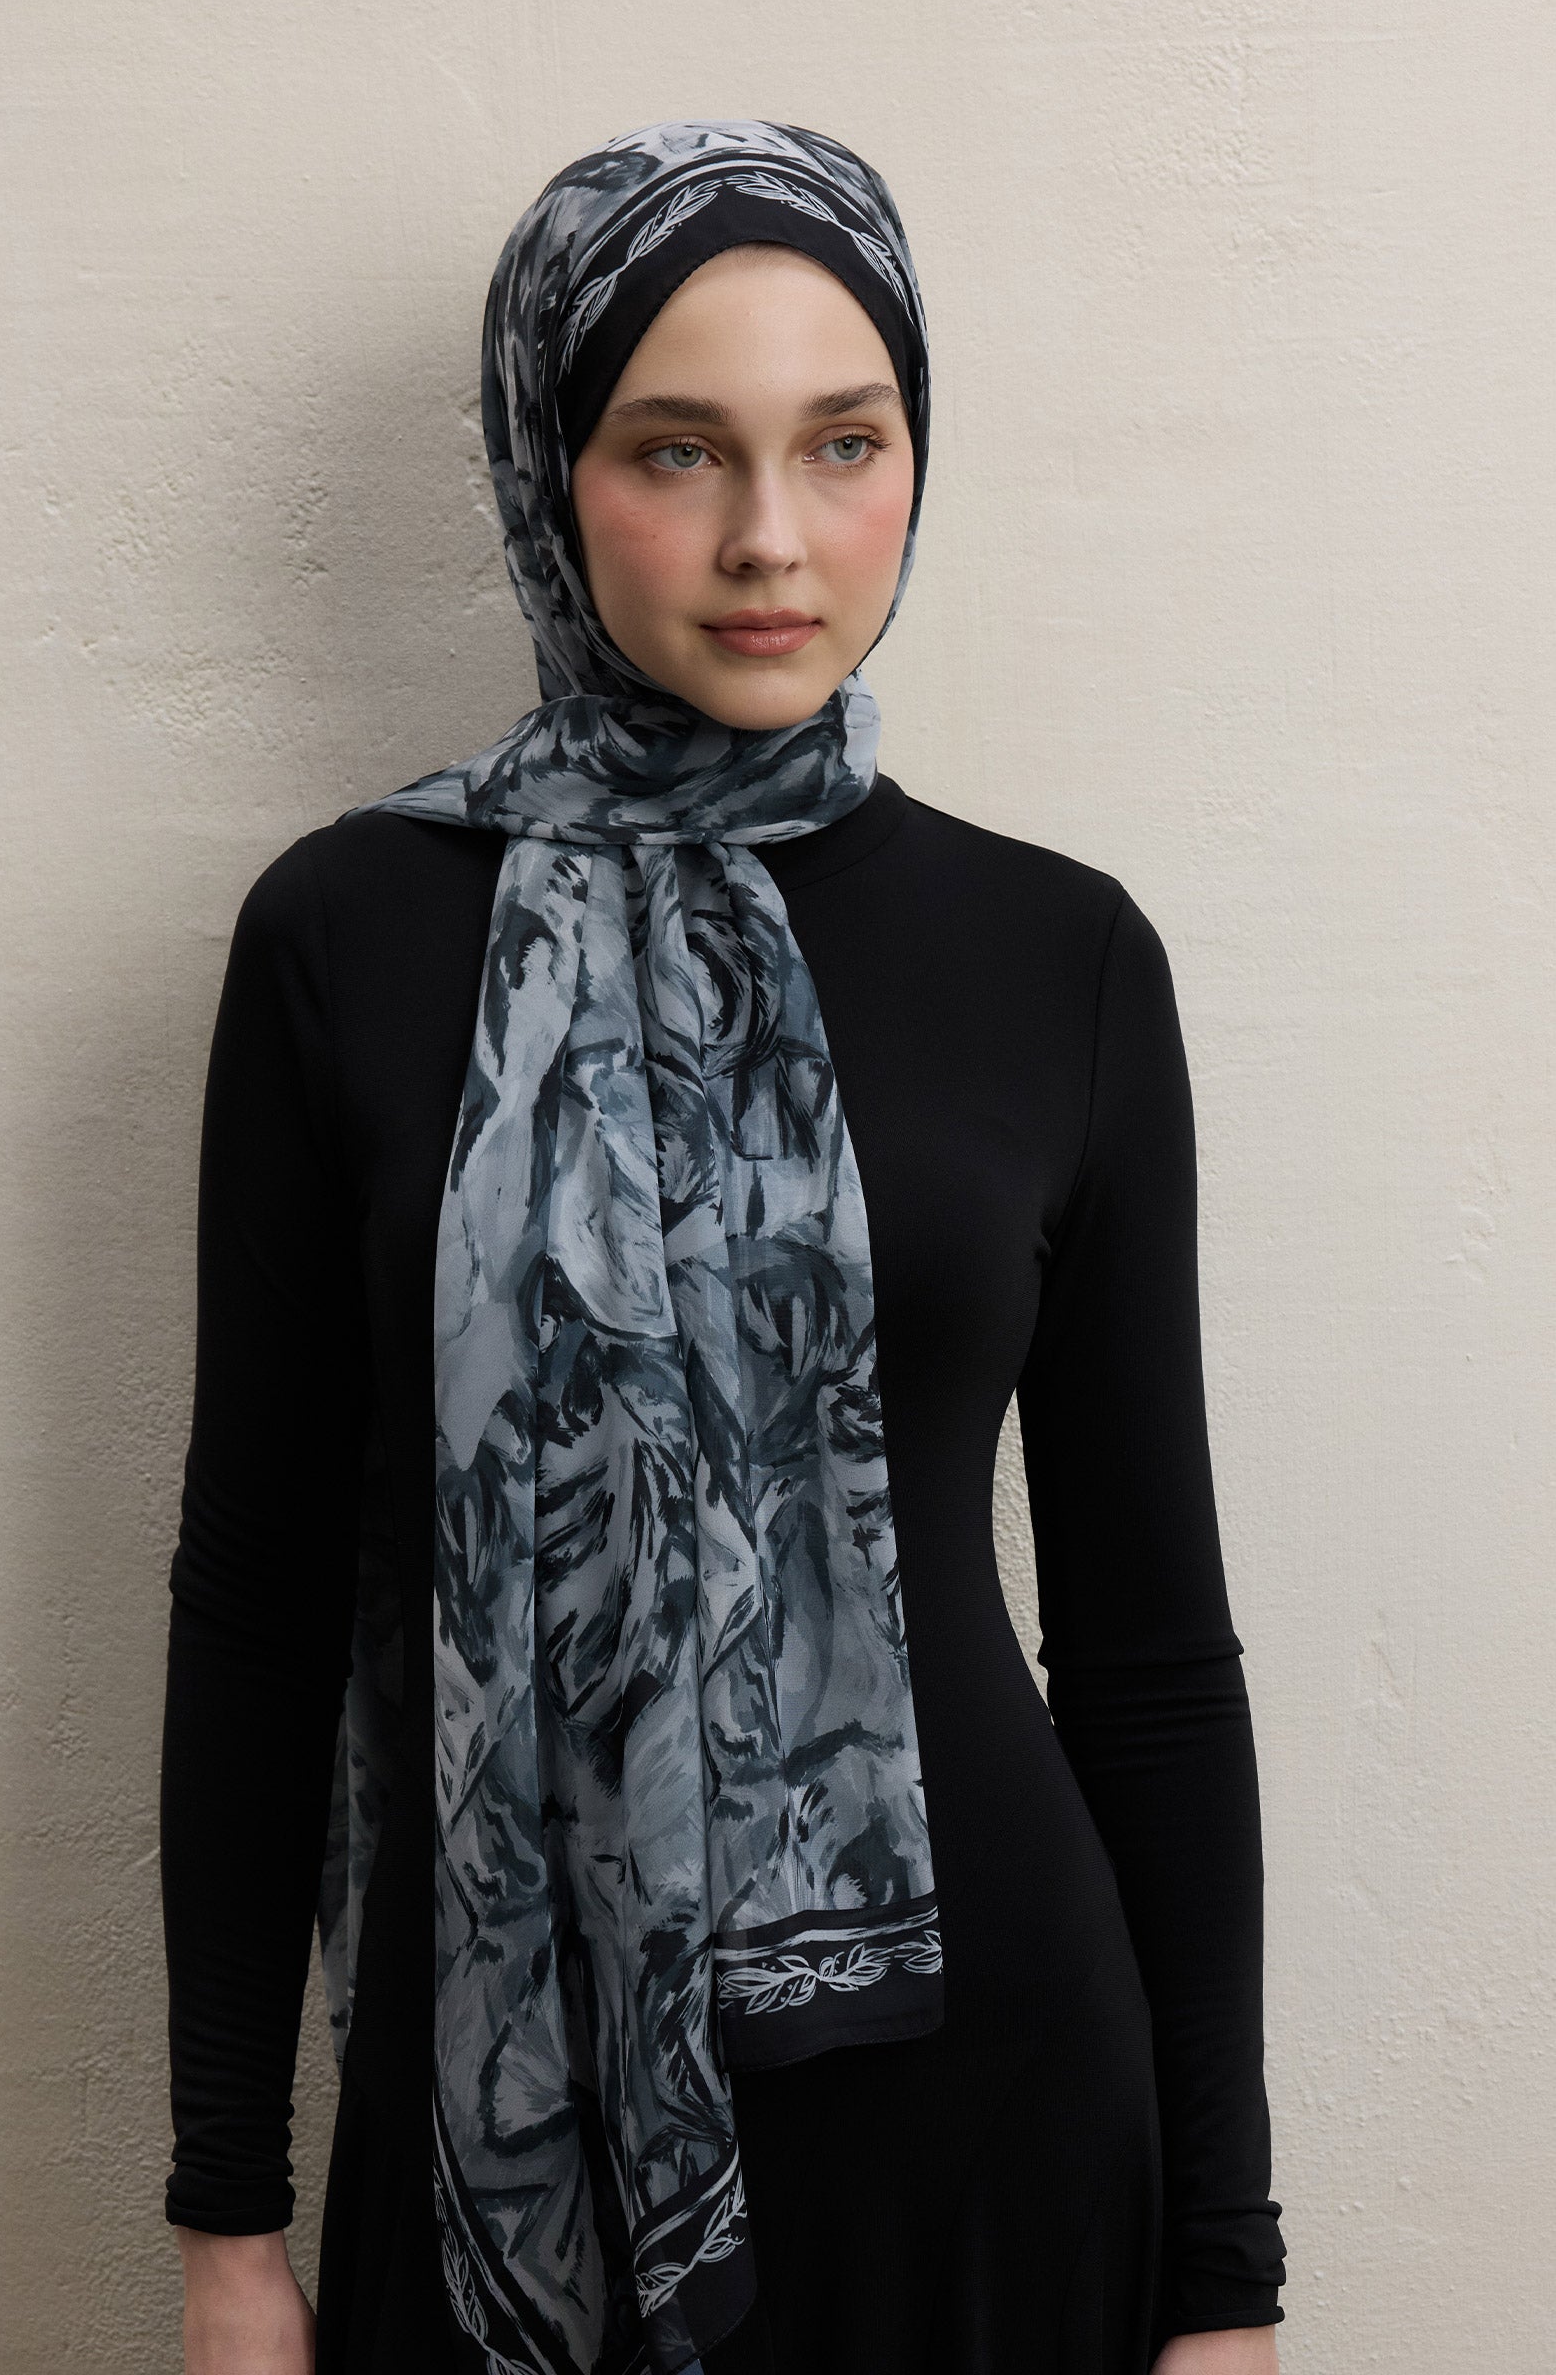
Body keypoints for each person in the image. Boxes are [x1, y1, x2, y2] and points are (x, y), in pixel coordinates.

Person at [161, 121, 1287, 2375]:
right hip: (508, 2123)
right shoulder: (349, 940)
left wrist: (1226, 2279)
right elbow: (259, 1608)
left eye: (843, 443)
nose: (773, 535)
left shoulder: (1059, 956)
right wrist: (227, 2217)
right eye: (678, 450)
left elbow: (1152, 1651)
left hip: (993, 2116)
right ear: (547, 471)